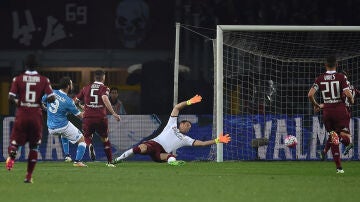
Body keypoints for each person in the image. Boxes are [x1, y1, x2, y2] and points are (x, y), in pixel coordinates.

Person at [113, 94, 231, 165]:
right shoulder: (172, 124)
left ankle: (173, 163)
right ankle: (118, 159)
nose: (188, 128)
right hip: (154, 144)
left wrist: (217, 140)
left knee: (170, 157)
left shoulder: (186, 139)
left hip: (161, 153)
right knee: (140, 148)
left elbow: (202, 143)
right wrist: (189, 102)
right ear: (181, 124)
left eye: (190, 128)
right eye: (187, 125)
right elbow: (177, 107)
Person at [6, 54, 55, 183]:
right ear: (37, 66)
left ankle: (12, 154)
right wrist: (41, 102)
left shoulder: (18, 79)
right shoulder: (44, 80)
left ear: (25, 65)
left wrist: (20, 103)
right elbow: (52, 97)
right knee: (34, 147)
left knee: (14, 142)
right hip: (35, 115)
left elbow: (10, 97)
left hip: (22, 114)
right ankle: (28, 176)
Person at [308, 56, 354, 174]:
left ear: (325, 65)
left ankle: (339, 168)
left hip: (327, 111)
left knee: (333, 136)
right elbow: (347, 93)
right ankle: (343, 140)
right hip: (339, 109)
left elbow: (310, 94)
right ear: (336, 64)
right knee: (345, 137)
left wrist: (317, 105)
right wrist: (351, 99)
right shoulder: (340, 77)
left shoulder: (320, 78)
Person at [74, 70, 121, 167]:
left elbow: (75, 101)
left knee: (87, 136)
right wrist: (113, 113)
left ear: (94, 77)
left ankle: (90, 145)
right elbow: (104, 98)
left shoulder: (85, 88)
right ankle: (110, 162)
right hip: (100, 117)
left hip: (88, 117)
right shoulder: (105, 88)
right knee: (105, 139)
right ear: (103, 77)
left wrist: (82, 108)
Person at [42, 76, 87, 167]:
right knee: (82, 140)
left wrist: (48, 111)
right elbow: (81, 116)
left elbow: (43, 103)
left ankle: (67, 156)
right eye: (71, 84)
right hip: (62, 126)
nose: (72, 85)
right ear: (68, 86)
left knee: (65, 133)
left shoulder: (51, 92)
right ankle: (77, 161)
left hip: (50, 128)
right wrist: (88, 111)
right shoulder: (68, 101)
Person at [318, 69, 360, 160]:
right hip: (347, 112)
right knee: (334, 134)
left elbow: (336, 100)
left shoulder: (341, 86)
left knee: (335, 134)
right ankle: (324, 152)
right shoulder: (353, 88)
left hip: (340, 112)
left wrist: (322, 105)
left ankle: (347, 143)